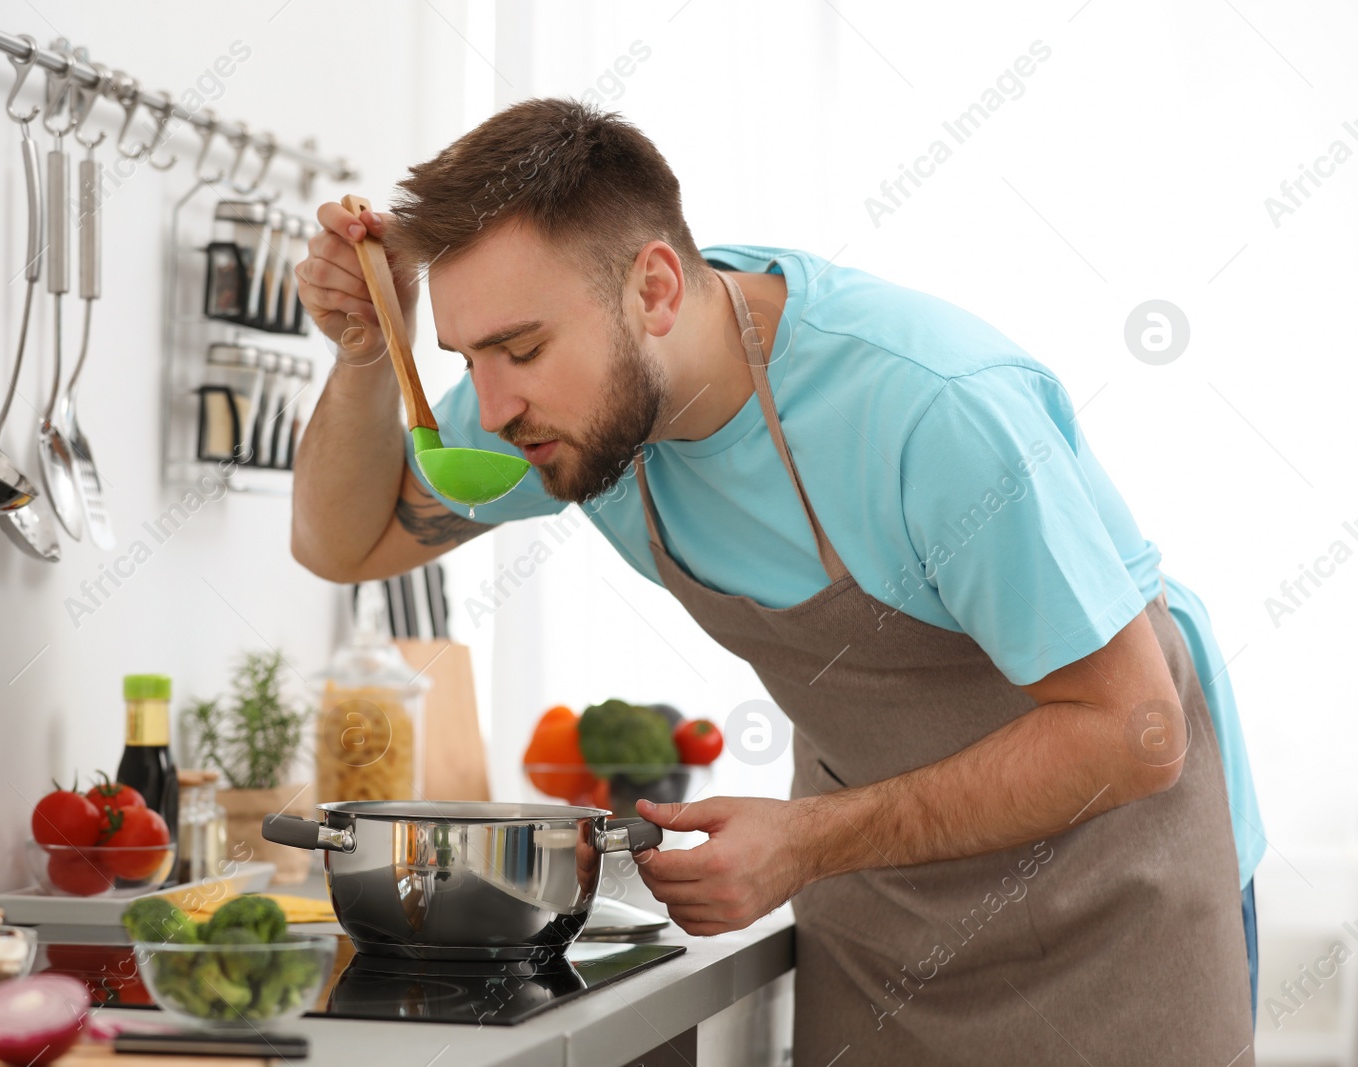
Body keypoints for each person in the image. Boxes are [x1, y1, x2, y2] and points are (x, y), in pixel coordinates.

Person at [290, 97, 1262, 1065]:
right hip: (884, 914)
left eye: (522, 348)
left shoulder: (930, 408)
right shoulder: (562, 411)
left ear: (655, 292)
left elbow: (1133, 731)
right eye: (465, 357)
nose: (491, 406)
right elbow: (342, 543)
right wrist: (370, 357)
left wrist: (807, 839)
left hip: (1112, 903)